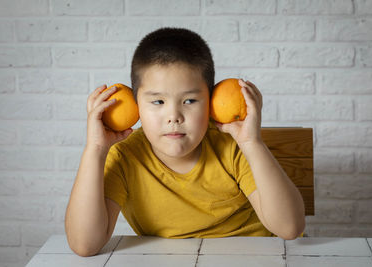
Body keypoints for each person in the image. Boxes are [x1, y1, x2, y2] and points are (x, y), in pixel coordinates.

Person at [65, 27, 305, 257]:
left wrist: (253, 143)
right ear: (136, 106)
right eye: (158, 102)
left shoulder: (232, 147)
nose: (174, 117)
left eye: (189, 100)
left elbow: (289, 228)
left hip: (253, 257)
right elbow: (85, 244)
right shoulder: (125, 157)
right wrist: (95, 149)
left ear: (211, 102)